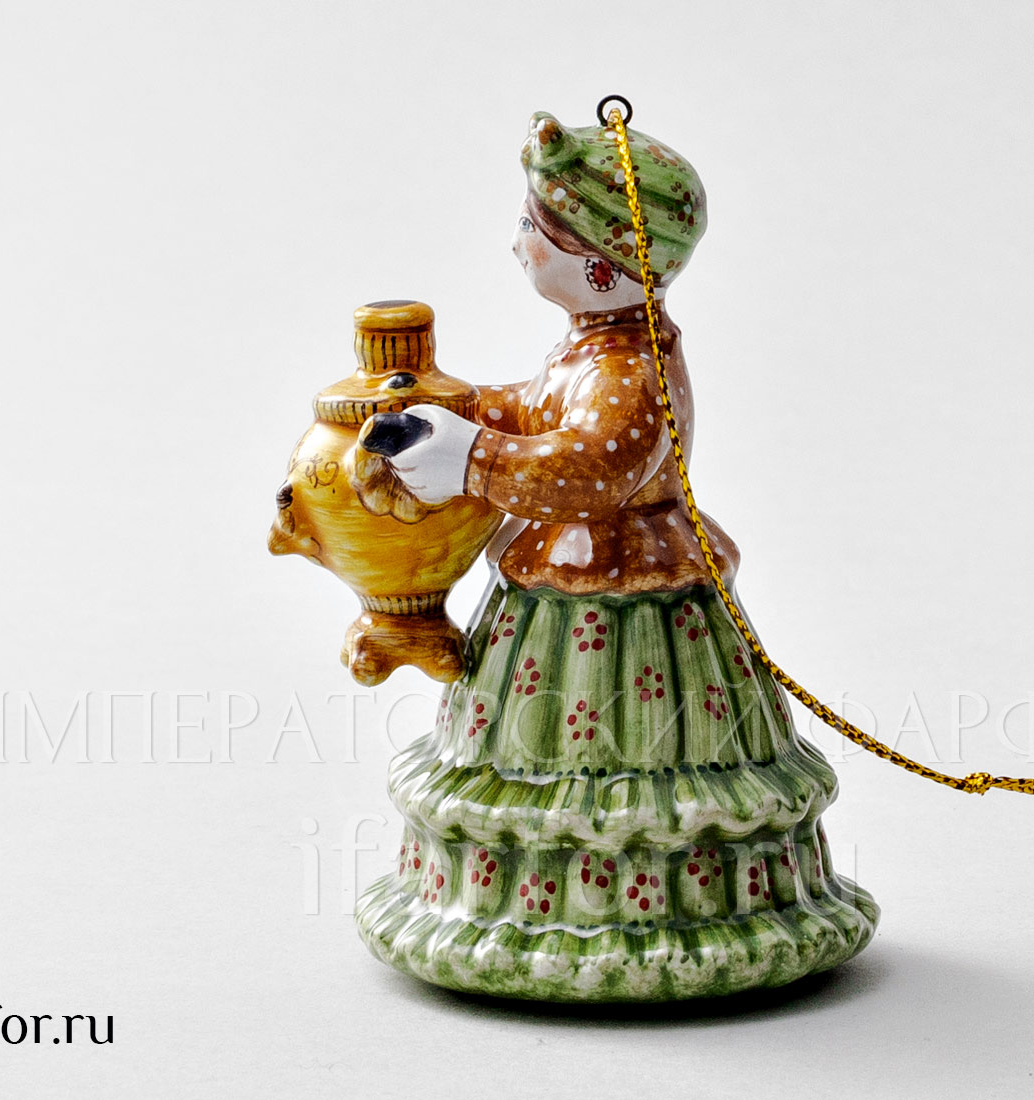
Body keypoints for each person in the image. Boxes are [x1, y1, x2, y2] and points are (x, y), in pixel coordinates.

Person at [353, 111, 877, 1002]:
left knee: (615, 759)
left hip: (623, 602)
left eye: (533, 228)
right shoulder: (594, 347)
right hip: (559, 582)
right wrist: (468, 410)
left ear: (600, 265)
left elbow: (593, 467)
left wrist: (474, 459)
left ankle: (636, 919)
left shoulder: (630, 367)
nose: (515, 243)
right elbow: (539, 408)